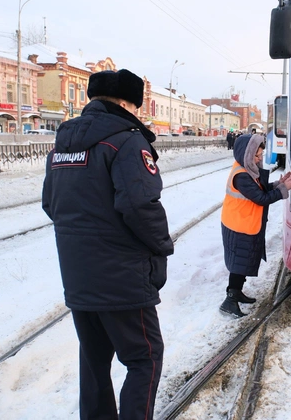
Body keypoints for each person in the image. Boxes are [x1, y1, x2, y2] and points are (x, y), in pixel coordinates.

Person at [42, 69, 173, 419]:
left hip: (78, 276)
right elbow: (139, 206)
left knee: (95, 359)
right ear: (129, 103)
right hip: (122, 278)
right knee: (144, 358)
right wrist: (162, 246)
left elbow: (51, 205)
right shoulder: (127, 141)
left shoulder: (61, 145)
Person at [220, 134, 291, 317]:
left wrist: (279, 183)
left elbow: (260, 189)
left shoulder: (248, 170)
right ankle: (229, 301)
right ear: (246, 154)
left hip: (244, 223)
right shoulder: (242, 176)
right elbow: (261, 198)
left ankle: (236, 292)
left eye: (261, 154)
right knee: (239, 263)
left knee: (243, 262)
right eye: (256, 155)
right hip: (239, 225)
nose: (260, 158)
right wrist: (284, 189)